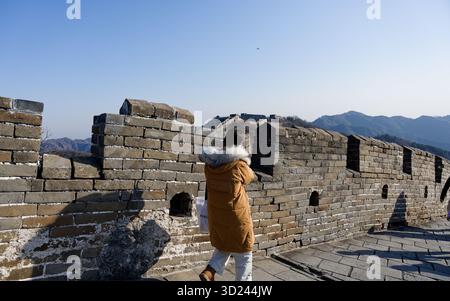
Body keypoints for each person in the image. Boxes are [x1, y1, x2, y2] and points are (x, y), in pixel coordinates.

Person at [198, 143, 256, 281]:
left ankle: (209, 271)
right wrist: (246, 159)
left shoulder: (210, 166)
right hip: (237, 216)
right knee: (245, 253)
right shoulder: (239, 166)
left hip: (217, 215)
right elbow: (250, 177)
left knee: (224, 245)